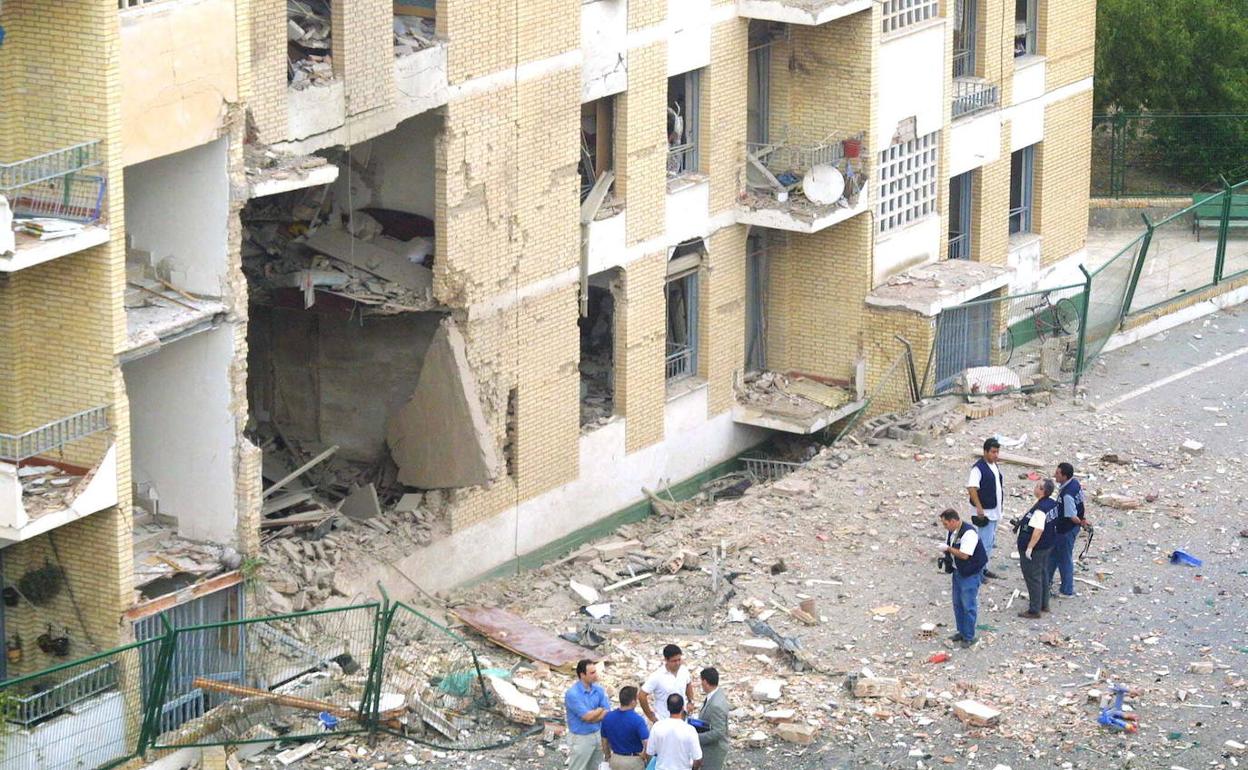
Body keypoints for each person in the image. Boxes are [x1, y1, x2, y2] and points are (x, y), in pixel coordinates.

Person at [940, 508, 987, 648]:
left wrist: (948, 549)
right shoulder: (952, 532)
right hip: (958, 571)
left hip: (970, 573)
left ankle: (969, 636)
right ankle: (961, 631)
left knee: (968, 605)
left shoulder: (969, 533)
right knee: (957, 604)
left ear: (953, 521)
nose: (945, 527)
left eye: (946, 524)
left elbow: (964, 555)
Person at [1016, 479, 1059, 618]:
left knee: (1033, 576)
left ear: (1042, 490)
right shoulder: (1051, 503)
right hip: (1047, 545)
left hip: (1037, 548)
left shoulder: (1041, 509)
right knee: (1042, 573)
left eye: (1037, 486)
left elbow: (1038, 530)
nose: (1034, 488)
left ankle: (1034, 609)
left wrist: (1029, 548)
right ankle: (1043, 603)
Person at [1047, 462, 1089, 598]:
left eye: (1058, 473)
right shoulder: (1075, 484)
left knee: (1064, 559)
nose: (1055, 475)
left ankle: (1067, 589)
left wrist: (1082, 522)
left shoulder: (1067, 495)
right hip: (1066, 529)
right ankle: (1046, 581)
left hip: (1065, 530)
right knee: (1053, 555)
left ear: (1065, 476)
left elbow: (1072, 516)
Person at [966, 437, 1006, 579]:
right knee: (983, 543)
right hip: (985, 512)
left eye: (997, 452)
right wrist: (979, 508)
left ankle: (984, 568)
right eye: (993, 452)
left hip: (994, 510)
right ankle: (979, 572)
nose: (995, 455)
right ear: (985, 452)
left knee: (989, 542)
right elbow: (972, 488)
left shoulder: (994, 466)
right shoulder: (978, 468)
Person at [565, 659, 610, 770]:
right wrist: (600, 709)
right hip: (581, 738)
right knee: (578, 767)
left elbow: (607, 711)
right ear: (582, 675)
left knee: (595, 766)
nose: (596, 675)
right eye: (592, 673)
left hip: (597, 734)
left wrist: (594, 716)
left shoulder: (598, 689)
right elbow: (587, 716)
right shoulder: (573, 694)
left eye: (595, 671)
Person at [640, 644, 695, 724]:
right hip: (663, 720)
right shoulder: (657, 676)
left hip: (682, 719)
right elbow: (642, 695)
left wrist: (691, 701)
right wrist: (651, 716)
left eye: (679, 660)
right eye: (674, 661)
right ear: (666, 660)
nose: (677, 663)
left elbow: (688, 684)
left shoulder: (683, 671)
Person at [646, 694, 703, 770]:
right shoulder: (690, 730)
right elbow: (698, 758)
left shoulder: (657, 727)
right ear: (683, 708)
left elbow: (649, 752)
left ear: (668, 708)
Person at [601, 686, 650, 770]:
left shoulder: (608, 717)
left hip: (615, 758)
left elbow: (604, 741)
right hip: (633, 760)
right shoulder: (637, 720)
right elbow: (646, 742)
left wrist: (608, 756)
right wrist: (644, 755)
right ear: (633, 701)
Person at [695, 668, 729, 770]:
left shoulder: (716, 704)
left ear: (705, 682)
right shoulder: (716, 695)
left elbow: (718, 732)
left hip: (713, 752)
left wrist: (696, 738)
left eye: (701, 681)